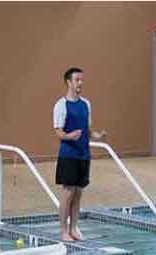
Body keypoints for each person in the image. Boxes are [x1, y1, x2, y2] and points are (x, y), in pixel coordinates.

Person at [52, 67, 107, 242]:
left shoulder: (86, 104)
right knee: (68, 193)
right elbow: (59, 132)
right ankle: (63, 231)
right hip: (68, 155)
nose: (80, 83)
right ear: (68, 82)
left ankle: (74, 228)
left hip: (84, 154)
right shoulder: (61, 105)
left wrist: (97, 135)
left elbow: (87, 129)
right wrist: (70, 136)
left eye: (82, 80)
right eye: (77, 80)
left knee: (78, 193)